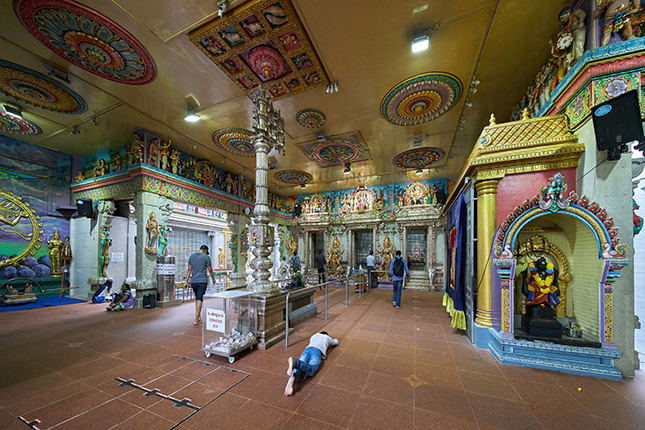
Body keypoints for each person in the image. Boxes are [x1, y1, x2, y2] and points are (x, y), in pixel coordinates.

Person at [285, 331, 338, 396]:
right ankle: (295, 362)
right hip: (316, 351)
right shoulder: (326, 337)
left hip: (307, 349)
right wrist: (332, 339)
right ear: (326, 334)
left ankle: (291, 379)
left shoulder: (314, 335)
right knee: (311, 369)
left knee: (300, 367)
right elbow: (335, 342)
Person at [185, 245, 216, 326]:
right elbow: (210, 269)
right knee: (200, 298)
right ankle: (196, 319)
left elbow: (189, 269)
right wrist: (213, 279)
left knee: (197, 297)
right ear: (205, 250)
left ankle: (198, 316)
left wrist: (186, 281)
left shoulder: (192, 256)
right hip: (202, 280)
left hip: (194, 281)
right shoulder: (206, 257)